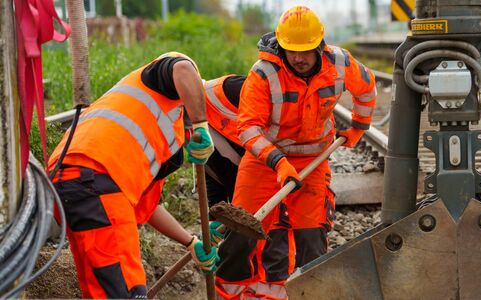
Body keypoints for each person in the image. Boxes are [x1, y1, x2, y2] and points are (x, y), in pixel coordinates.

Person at [214, 6, 378, 299]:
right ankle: (231, 292)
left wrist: (359, 126)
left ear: (319, 45)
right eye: (291, 51)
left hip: (312, 162)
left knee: (311, 235)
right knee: (241, 232)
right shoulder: (264, 73)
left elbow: (366, 89)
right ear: (281, 45)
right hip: (265, 160)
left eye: (305, 51)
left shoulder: (340, 63)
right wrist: (278, 162)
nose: (298, 58)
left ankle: (307, 293)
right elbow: (248, 128)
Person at [47, 52, 219, 299]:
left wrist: (190, 243)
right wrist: (202, 124)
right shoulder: (161, 86)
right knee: (126, 292)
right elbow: (182, 68)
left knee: (102, 293)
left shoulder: (144, 138)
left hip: (67, 184)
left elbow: (148, 209)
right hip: (96, 182)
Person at [202, 74, 247, 244]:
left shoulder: (229, 89)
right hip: (245, 201)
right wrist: (216, 214)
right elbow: (211, 170)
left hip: (281, 180)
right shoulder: (183, 124)